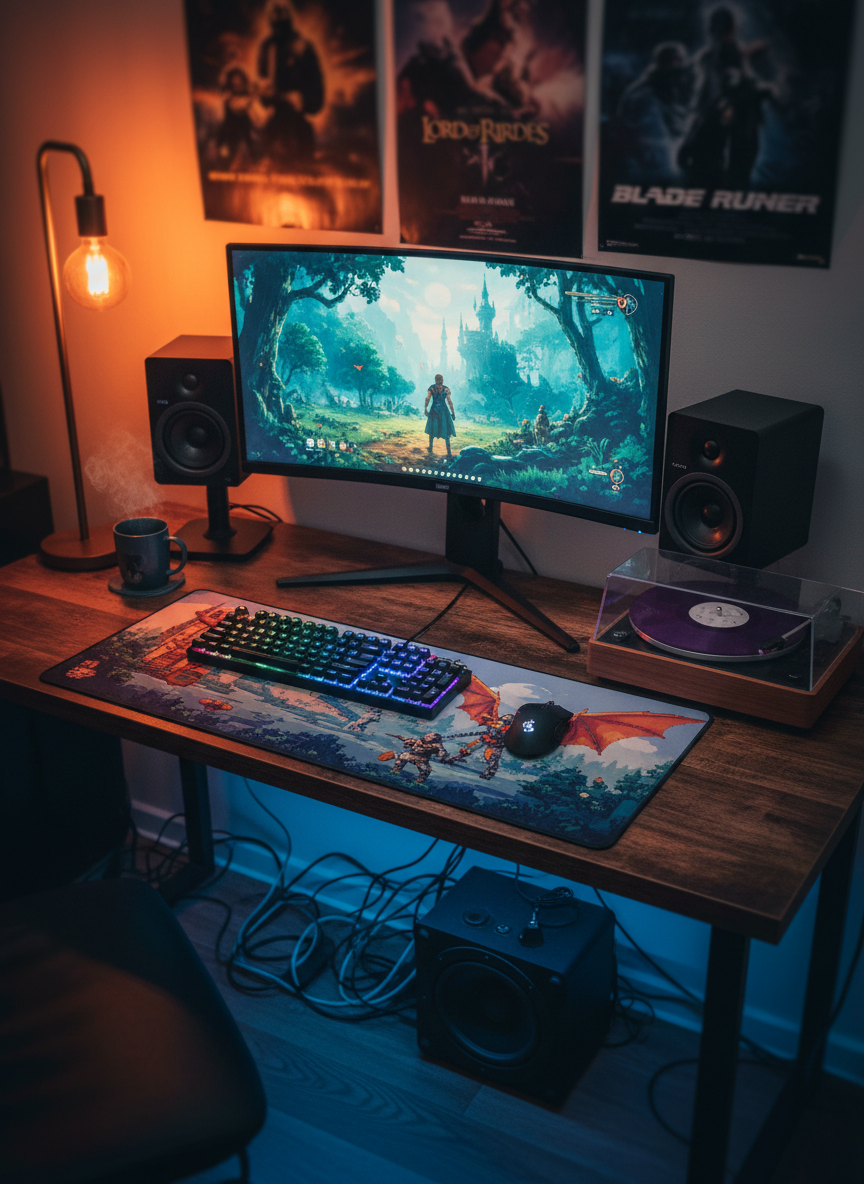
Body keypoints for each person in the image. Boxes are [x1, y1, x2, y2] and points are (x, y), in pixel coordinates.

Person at [424, 374, 456, 456]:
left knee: (438, 430)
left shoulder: (433, 388)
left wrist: (426, 409)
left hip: (436, 410)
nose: (439, 381)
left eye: (439, 380)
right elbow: (449, 401)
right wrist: (452, 413)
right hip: (441, 411)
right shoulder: (445, 389)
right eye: (439, 380)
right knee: (443, 430)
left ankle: (432, 448)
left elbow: (428, 398)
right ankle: (448, 452)